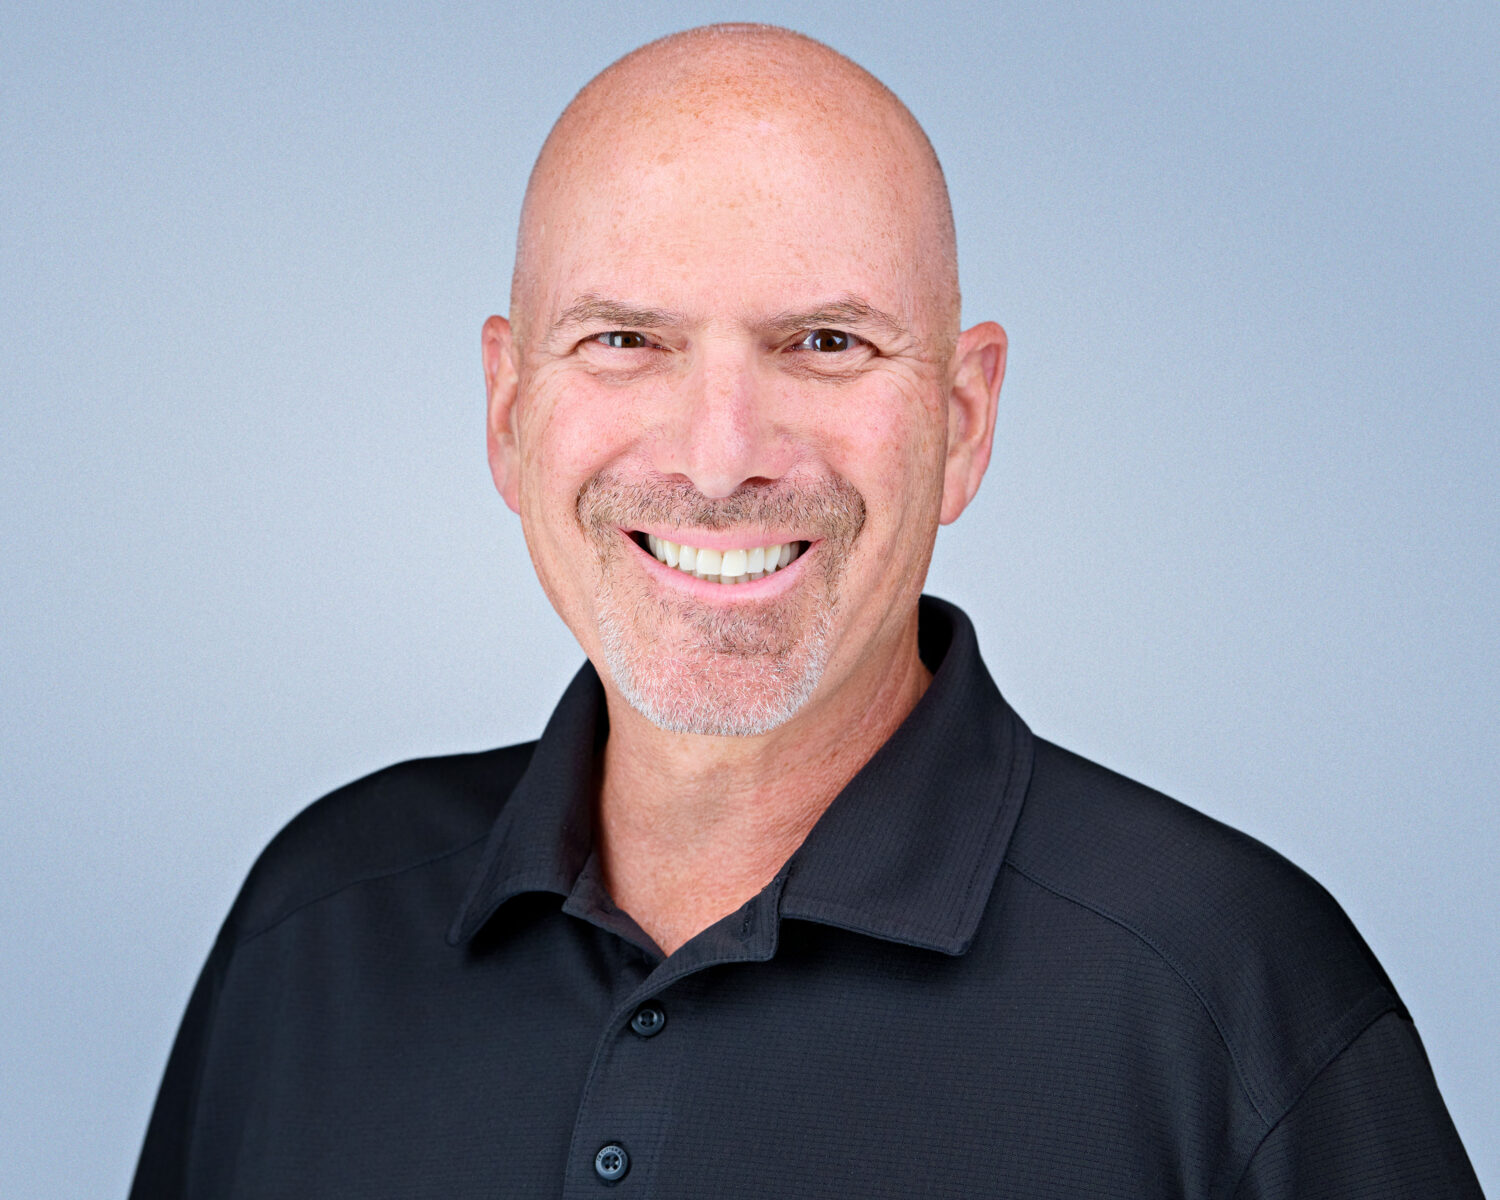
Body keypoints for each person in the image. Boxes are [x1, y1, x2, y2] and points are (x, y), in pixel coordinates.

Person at [131, 24, 1482, 1199]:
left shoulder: (1226, 991)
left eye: (824, 344)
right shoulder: (314, 927)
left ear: (962, 420)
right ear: (508, 411)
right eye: (626, 340)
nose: (720, 459)